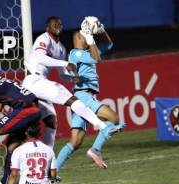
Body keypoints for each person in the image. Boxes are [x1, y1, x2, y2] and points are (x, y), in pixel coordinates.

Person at [23, 16, 124, 146]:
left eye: (60, 24)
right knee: (73, 100)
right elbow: (40, 58)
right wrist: (65, 63)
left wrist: (72, 77)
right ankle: (103, 127)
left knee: (51, 122)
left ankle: (49, 160)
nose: (58, 26)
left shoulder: (60, 49)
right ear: (47, 27)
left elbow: (62, 75)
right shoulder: (44, 38)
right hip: (33, 80)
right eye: (54, 24)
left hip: (41, 84)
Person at [56, 20, 120, 172]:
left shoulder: (85, 53)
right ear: (79, 37)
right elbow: (97, 59)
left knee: (75, 142)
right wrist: (90, 39)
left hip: (81, 98)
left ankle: (52, 173)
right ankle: (95, 150)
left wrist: (101, 30)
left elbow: (108, 45)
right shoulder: (76, 53)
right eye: (85, 36)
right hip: (84, 96)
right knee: (114, 119)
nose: (88, 37)